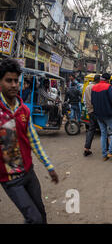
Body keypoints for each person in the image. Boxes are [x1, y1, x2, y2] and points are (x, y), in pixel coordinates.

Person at [0, 58, 59, 224]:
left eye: (15, 81)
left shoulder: (23, 109)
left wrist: (49, 166)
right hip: (11, 181)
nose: (13, 85)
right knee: (35, 219)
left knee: (41, 214)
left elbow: (34, 141)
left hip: (29, 174)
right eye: (8, 80)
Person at [91, 73, 112, 161]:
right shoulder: (108, 87)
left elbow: (92, 101)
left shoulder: (94, 87)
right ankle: (111, 152)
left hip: (98, 115)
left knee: (103, 134)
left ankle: (104, 155)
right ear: (108, 80)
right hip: (108, 114)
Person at [83, 74, 101, 157]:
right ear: (99, 80)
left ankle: (86, 149)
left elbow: (84, 100)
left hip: (90, 111)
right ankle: (108, 149)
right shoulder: (97, 87)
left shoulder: (87, 87)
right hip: (97, 111)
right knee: (104, 129)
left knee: (91, 130)